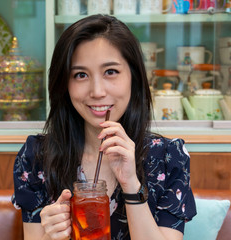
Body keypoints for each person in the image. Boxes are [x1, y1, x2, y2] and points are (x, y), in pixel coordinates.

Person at [12, 14, 196, 240]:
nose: (97, 91)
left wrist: (130, 184)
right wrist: (49, 236)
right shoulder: (35, 157)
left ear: (134, 77)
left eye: (110, 72)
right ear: (64, 85)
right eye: (80, 75)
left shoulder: (168, 157)